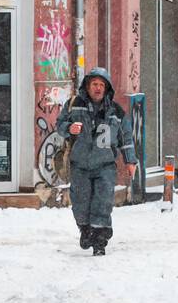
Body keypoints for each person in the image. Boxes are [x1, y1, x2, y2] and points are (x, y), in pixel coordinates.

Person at [57, 67, 137, 256]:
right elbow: (60, 126)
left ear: (107, 88)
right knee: (81, 201)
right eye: (94, 84)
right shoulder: (73, 105)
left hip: (105, 165)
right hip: (79, 164)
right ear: (88, 86)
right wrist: (69, 128)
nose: (98, 88)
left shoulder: (116, 111)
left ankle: (100, 239)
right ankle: (85, 229)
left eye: (102, 85)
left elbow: (126, 137)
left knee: (103, 201)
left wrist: (130, 161)